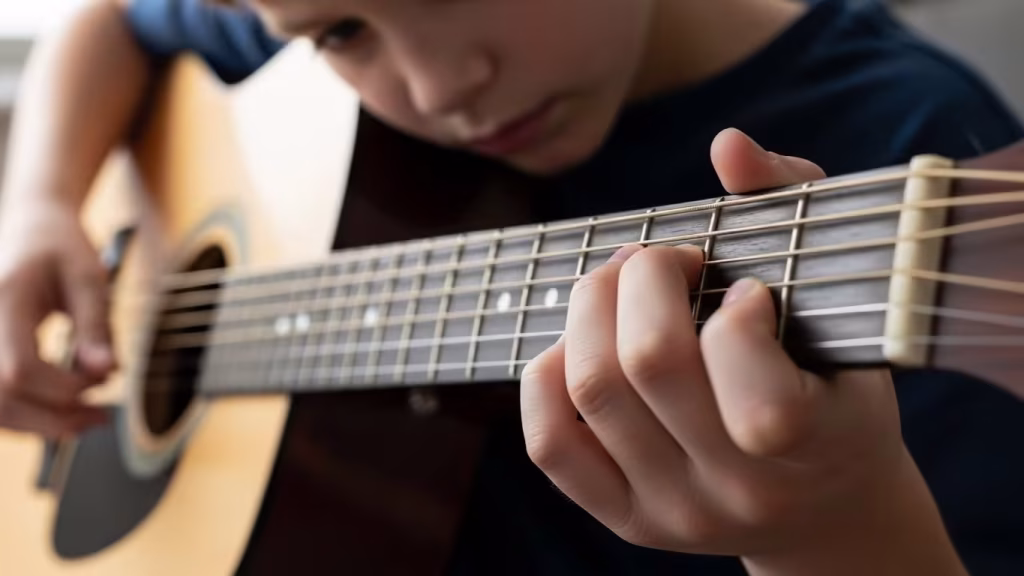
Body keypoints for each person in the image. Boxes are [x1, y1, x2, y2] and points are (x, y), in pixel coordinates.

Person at [1, 0, 1022, 573]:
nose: (440, 89)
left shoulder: (913, 155)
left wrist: (831, 524)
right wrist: (37, 203)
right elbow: (116, 24)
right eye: (341, 35)